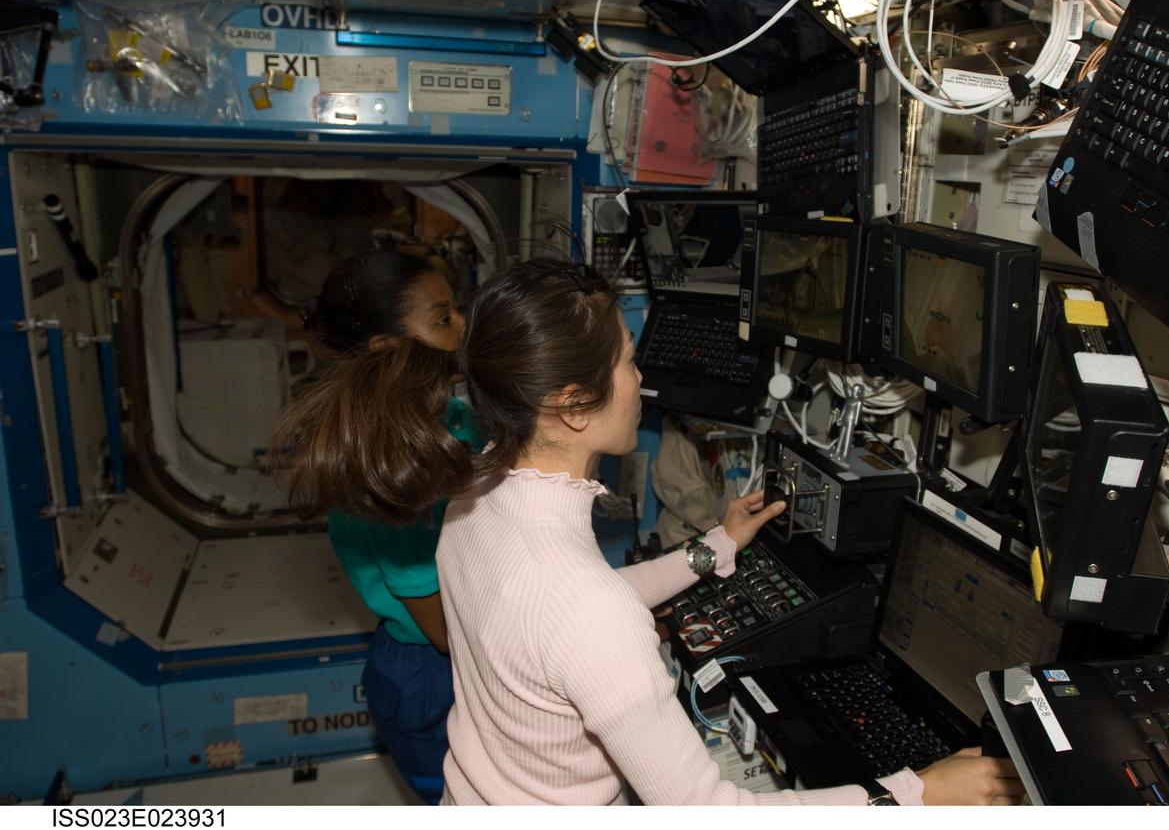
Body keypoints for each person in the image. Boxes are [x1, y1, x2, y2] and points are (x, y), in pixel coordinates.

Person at [418, 258, 1023, 805]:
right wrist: (917, 793)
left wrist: (715, 547)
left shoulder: (475, 492)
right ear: (574, 405)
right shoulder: (583, 607)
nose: (640, 380)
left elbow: (557, 615)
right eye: (629, 360)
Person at [272, 251, 482, 805]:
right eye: (442, 320)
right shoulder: (386, 466)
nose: (462, 327)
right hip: (430, 670)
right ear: (386, 349)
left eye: (456, 310)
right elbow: (441, 629)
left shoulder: (446, 417)